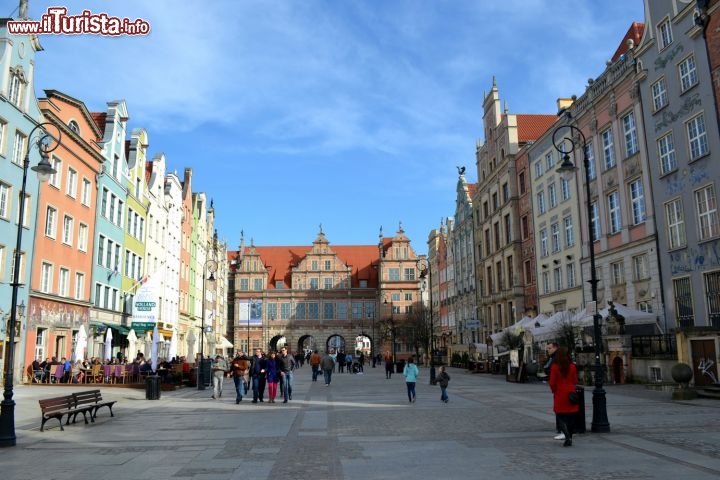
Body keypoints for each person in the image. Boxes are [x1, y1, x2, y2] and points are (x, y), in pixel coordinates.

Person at [549, 346, 579, 447]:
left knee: (560, 417)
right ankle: (569, 436)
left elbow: (552, 382)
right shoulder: (572, 366)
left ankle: (567, 437)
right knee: (571, 417)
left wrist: (554, 391)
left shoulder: (555, 366)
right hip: (571, 393)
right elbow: (575, 381)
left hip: (560, 393)